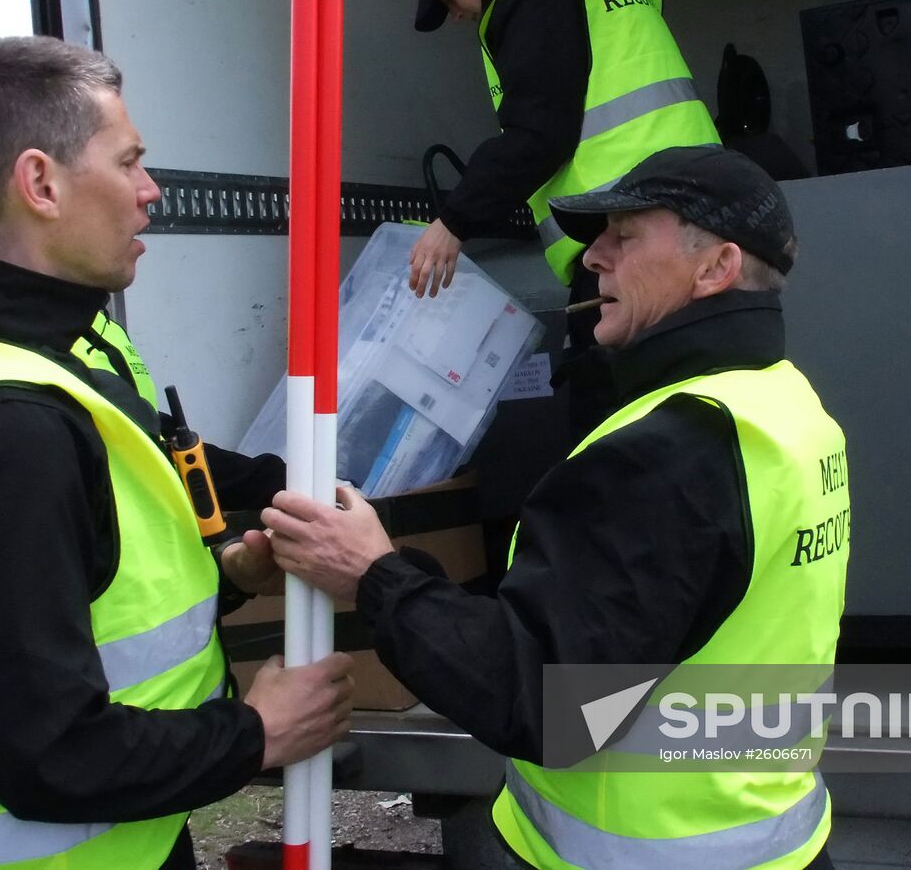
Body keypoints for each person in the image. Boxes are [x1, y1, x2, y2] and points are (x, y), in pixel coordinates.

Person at [0, 36, 354, 870]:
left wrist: (226, 581)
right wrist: (257, 732)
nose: (150, 192)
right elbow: (49, 752)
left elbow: (76, 595)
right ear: (41, 184)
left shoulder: (3, 355)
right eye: (129, 162)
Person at [259, 146, 849, 870]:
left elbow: (548, 700)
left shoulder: (668, 450)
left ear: (716, 267)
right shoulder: (785, 404)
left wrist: (375, 575)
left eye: (624, 236)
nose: (591, 256)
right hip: (772, 837)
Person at [403, 0, 721, 333]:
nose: (456, 15)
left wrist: (453, 224)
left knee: (614, 387)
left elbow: (539, 131)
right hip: (700, 214)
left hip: (627, 229)